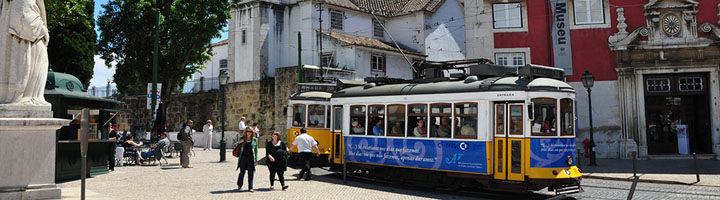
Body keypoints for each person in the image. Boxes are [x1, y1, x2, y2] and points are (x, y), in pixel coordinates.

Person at [236, 127, 258, 192]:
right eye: (247, 131)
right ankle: (239, 185)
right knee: (242, 172)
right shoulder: (242, 138)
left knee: (251, 173)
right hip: (243, 157)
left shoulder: (254, 140)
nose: (249, 133)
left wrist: (256, 159)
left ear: (252, 132)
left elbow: (256, 150)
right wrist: (239, 142)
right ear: (245, 132)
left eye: (250, 131)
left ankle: (250, 187)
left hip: (251, 158)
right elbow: (236, 146)